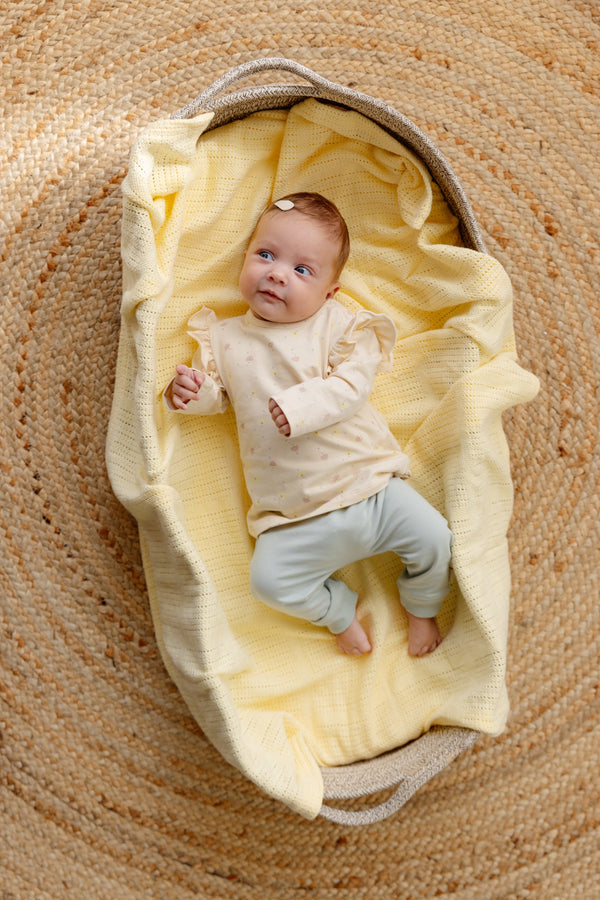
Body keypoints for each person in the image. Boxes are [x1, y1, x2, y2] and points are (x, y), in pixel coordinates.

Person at [164, 192, 453, 657]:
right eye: (265, 255)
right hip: (293, 518)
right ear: (245, 259)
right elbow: (218, 401)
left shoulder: (339, 324)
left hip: (371, 488)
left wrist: (303, 406)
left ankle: (420, 605)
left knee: (435, 536)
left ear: (329, 292)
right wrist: (191, 395)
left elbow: (354, 384)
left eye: (302, 270)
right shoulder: (223, 338)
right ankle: (338, 611)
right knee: (268, 583)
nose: (277, 273)